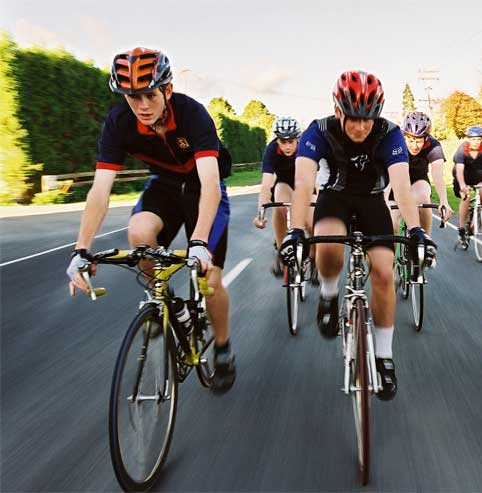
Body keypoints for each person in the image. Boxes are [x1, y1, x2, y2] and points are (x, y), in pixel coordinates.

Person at [65, 47, 236, 392]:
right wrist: (81, 250)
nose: (142, 105)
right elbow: (100, 190)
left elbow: (209, 184)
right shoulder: (119, 123)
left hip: (201, 186)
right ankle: (164, 300)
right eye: (133, 97)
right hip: (164, 185)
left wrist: (199, 243)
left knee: (211, 278)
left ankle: (222, 348)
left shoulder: (193, 114)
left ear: (167, 90)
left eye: (150, 95)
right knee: (139, 231)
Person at [279, 70, 435, 401]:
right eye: (354, 118)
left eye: (368, 119)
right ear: (338, 110)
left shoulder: (389, 133)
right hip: (334, 198)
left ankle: (384, 355)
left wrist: (417, 230)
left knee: (384, 272)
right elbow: (303, 183)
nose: (361, 127)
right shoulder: (319, 131)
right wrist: (295, 230)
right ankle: (329, 293)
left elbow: (402, 187)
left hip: (372, 201)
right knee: (327, 244)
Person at [253, 116, 315, 278]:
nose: (287, 146)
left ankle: (315, 257)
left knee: (310, 223)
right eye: (283, 141)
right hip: (284, 183)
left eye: (291, 141)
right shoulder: (271, 150)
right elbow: (266, 185)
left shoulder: (306, 147)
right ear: (277, 140)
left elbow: (317, 177)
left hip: (305, 183)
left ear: (297, 139)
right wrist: (260, 213)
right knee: (280, 206)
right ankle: (282, 253)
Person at [385, 111, 453, 234]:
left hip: (418, 180)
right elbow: (387, 174)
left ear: (426, 138)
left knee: (423, 198)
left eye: (419, 141)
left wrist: (444, 201)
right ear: (404, 136)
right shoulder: (395, 142)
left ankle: (425, 240)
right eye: (411, 141)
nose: (414, 146)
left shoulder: (433, 145)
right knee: (391, 223)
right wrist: (383, 200)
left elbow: (438, 175)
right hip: (396, 181)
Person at [452, 125, 482, 244]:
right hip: (462, 177)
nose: (476, 142)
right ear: (468, 139)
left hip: (477, 176)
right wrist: (462, 185)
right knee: (466, 197)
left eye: (478, 139)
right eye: (473, 139)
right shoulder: (462, 150)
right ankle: (462, 228)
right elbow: (459, 170)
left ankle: (475, 221)